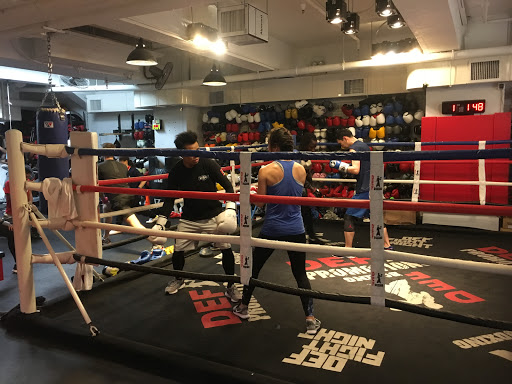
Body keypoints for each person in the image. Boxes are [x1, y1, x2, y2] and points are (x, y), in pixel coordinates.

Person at [233, 127, 321, 335]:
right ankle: (310, 319)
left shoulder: (265, 170)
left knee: (254, 269)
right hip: (296, 228)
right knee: (300, 274)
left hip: (272, 228)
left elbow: (262, 205)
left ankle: (243, 307)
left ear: (273, 146)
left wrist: (253, 193)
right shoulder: (301, 168)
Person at [154, 131, 241, 301]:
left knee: (226, 248)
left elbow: (228, 186)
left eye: (197, 150)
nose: (196, 156)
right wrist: (161, 222)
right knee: (178, 250)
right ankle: (179, 279)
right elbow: (169, 199)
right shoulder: (177, 171)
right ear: (182, 153)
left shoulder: (208, 163)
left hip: (213, 215)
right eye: (192, 153)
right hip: (189, 218)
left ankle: (231, 285)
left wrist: (230, 209)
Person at [331, 128, 392, 249]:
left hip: (365, 188)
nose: (341, 145)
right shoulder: (363, 145)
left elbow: (355, 169)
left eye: (341, 143)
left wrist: (340, 166)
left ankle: (348, 249)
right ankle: (387, 245)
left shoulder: (354, 148)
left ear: (345, 138)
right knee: (376, 216)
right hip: (373, 186)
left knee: (349, 216)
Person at [97, 143, 149, 244]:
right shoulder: (123, 166)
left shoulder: (99, 167)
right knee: (107, 208)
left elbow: (97, 186)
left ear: (102, 153)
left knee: (137, 226)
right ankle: (106, 237)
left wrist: (103, 199)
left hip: (118, 199)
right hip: (129, 195)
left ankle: (157, 241)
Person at [2, 165, 34, 273]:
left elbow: (30, 199)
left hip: (23, 214)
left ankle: (21, 263)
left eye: (28, 176)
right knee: (12, 237)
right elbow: (11, 202)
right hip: (11, 215)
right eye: (25, 176)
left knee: (21, 239)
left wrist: (28, 208)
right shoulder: (9, 184)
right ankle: (18, 263)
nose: (27, 178)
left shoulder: (27, 183)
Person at [298, 132, 329, 245]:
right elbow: (300, 177)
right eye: (311, 147)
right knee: (302, 213)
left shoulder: (307, 156)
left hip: (304, 189)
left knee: (306, 213)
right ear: (305, 144)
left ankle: (310, 235)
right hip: (297, 188)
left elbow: (308, 176)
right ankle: (306, 236)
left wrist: (313, 188)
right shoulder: (297, 156)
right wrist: (312, 188)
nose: (313, 150)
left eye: (314, 147)